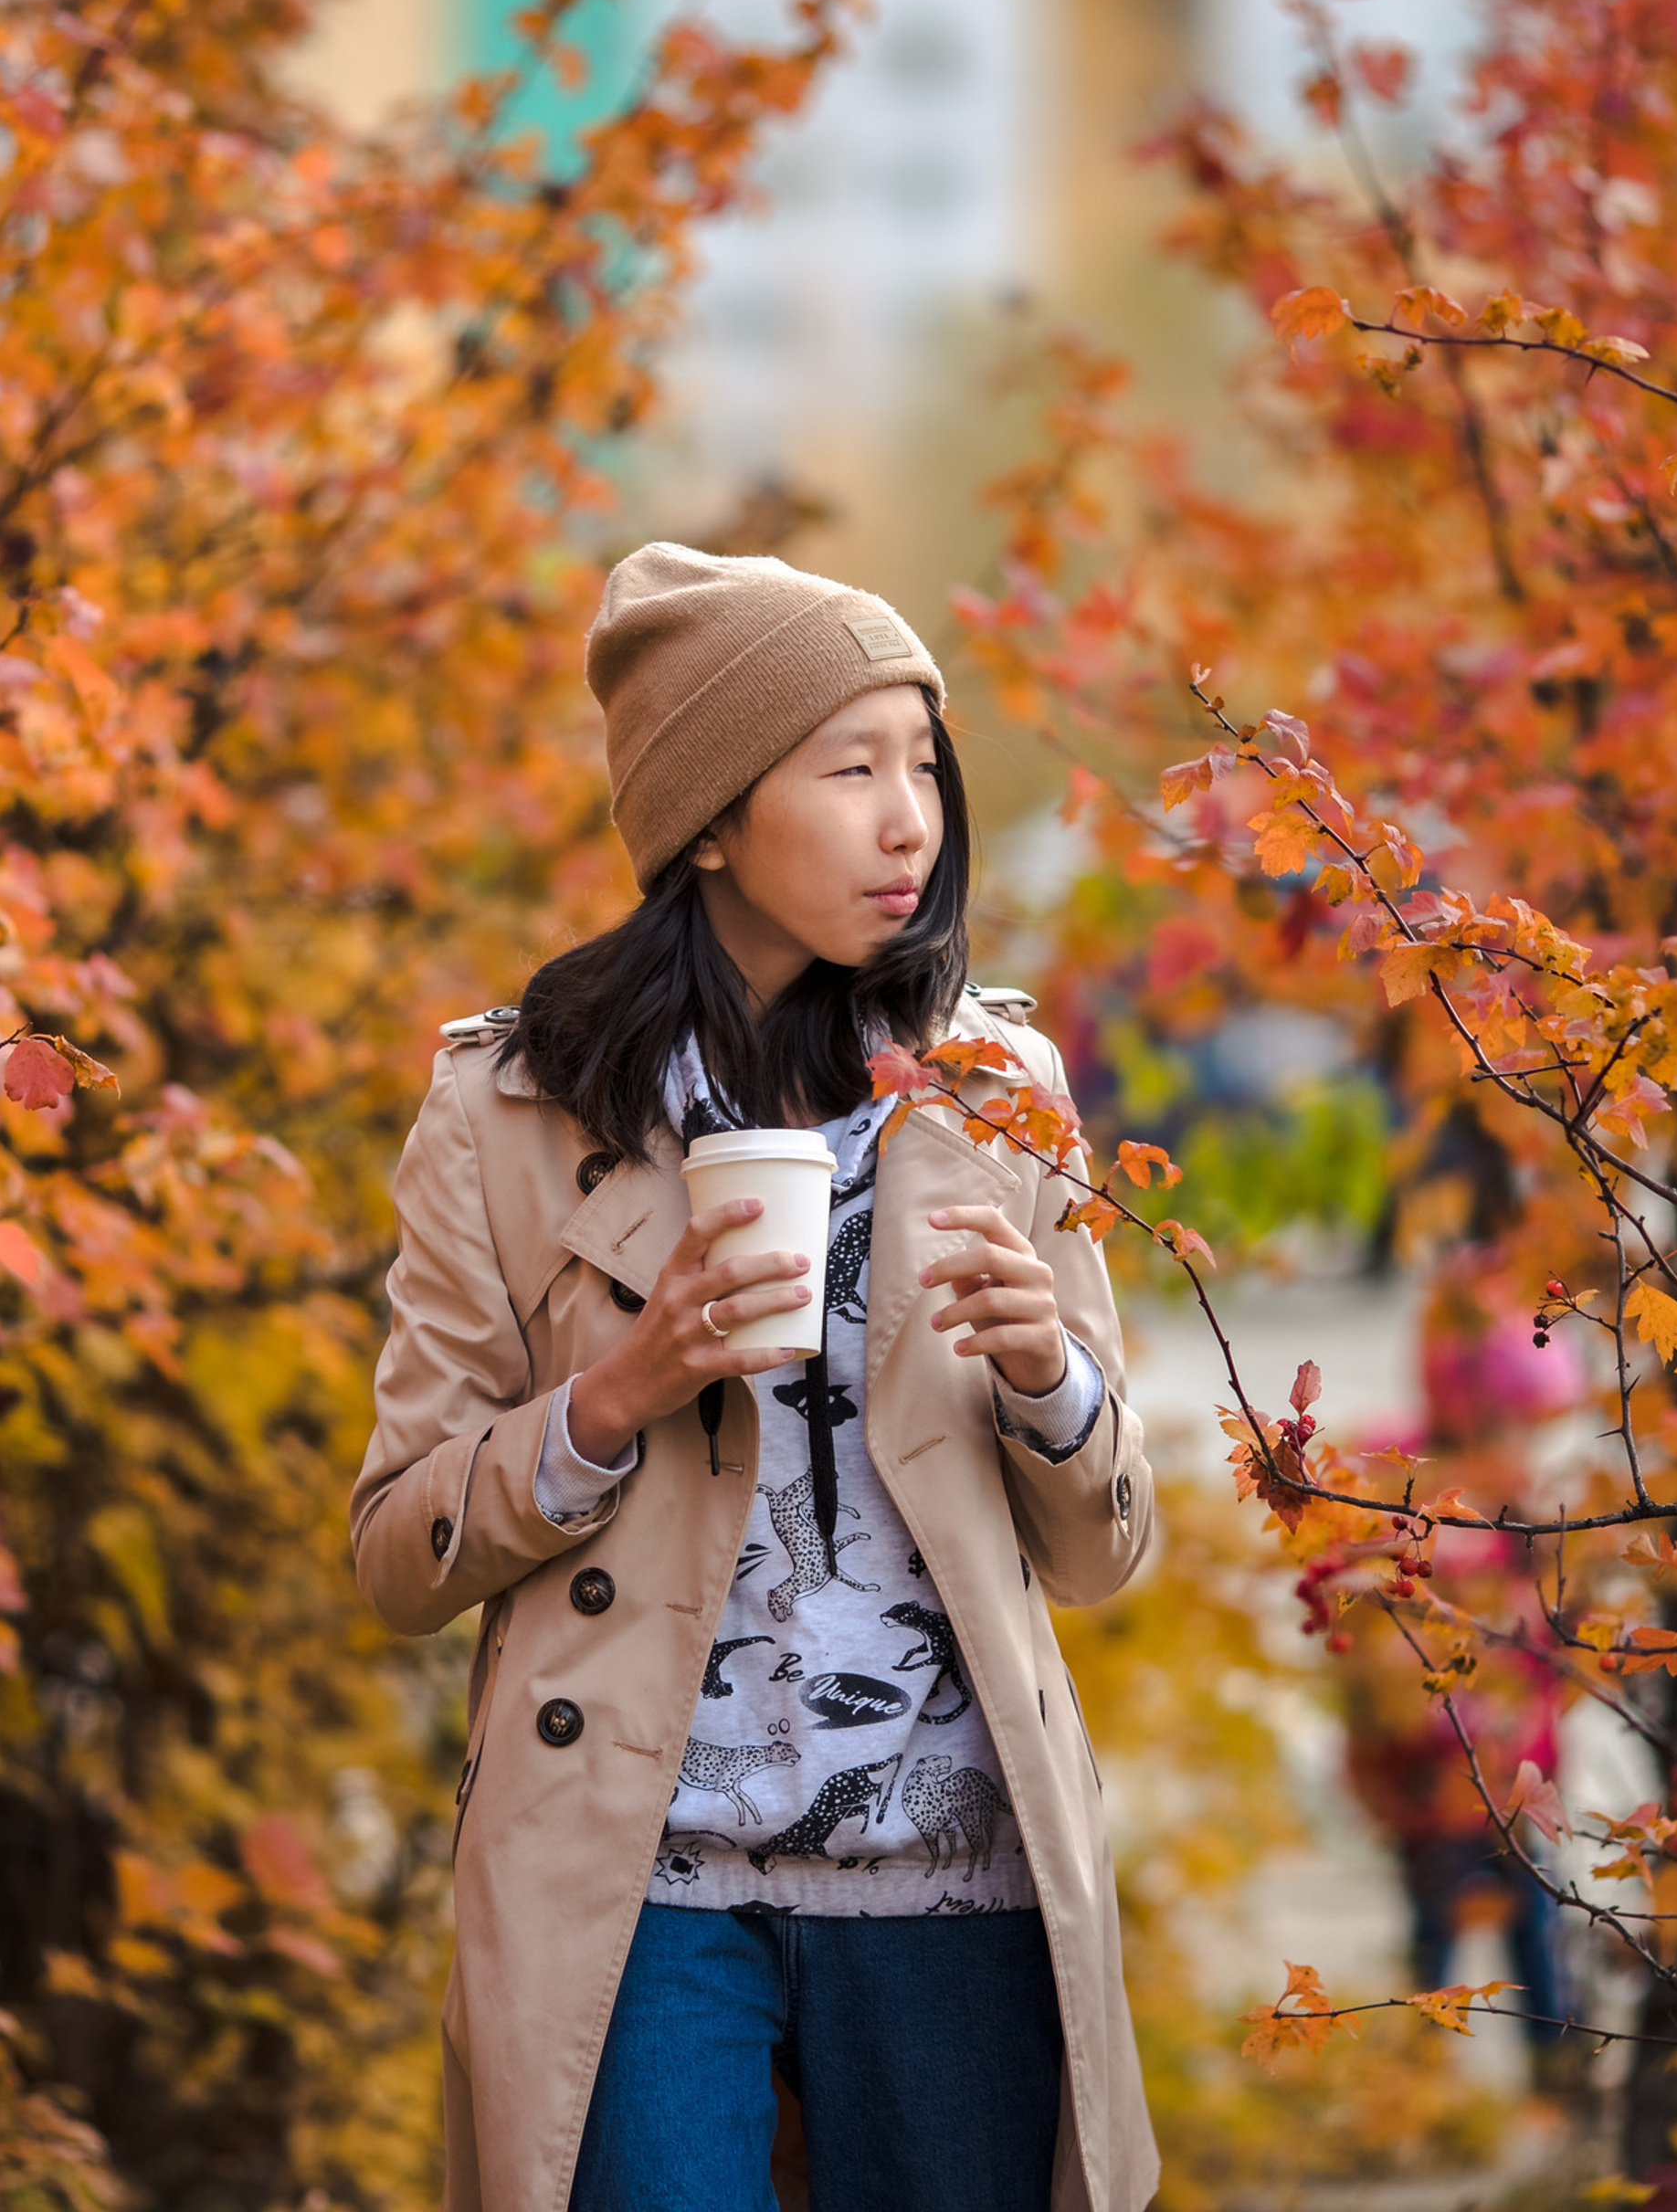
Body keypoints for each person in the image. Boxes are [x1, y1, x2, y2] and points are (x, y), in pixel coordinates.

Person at [349, 543, 1161, 2212]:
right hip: (636, 1882)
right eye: (850, 771)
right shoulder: (512, 1112)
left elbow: (1104, 1553)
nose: (908, 821)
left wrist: (1049, 1383)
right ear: (710, 820)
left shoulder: (996, 1090)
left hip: (955, 1873)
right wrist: (613, 1398)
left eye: (922, 765)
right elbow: (393, 1556)